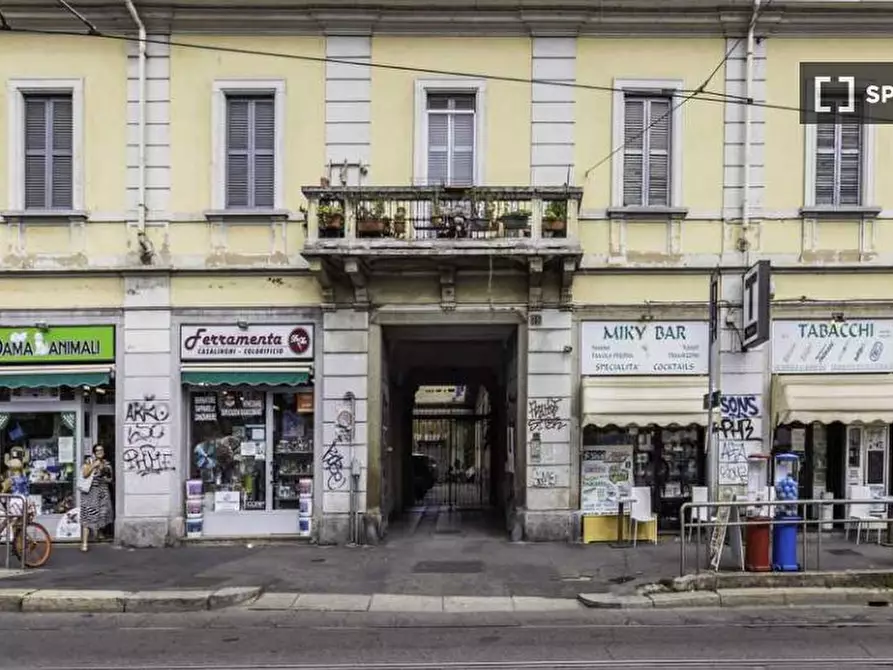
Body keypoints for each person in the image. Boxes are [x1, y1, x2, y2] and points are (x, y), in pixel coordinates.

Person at [80, 444, 113, 552]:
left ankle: (98, 533)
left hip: (102, 492)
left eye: (101, 450)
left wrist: (105, 472)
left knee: (102, 514)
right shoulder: (88, 461)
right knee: (88, 516)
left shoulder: (106, 463)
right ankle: (84, 543)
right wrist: (94, 466)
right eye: (97, 450)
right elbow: (84, 474)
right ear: (94, 452)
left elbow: (110, 479)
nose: (100, 452)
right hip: (90, 493)